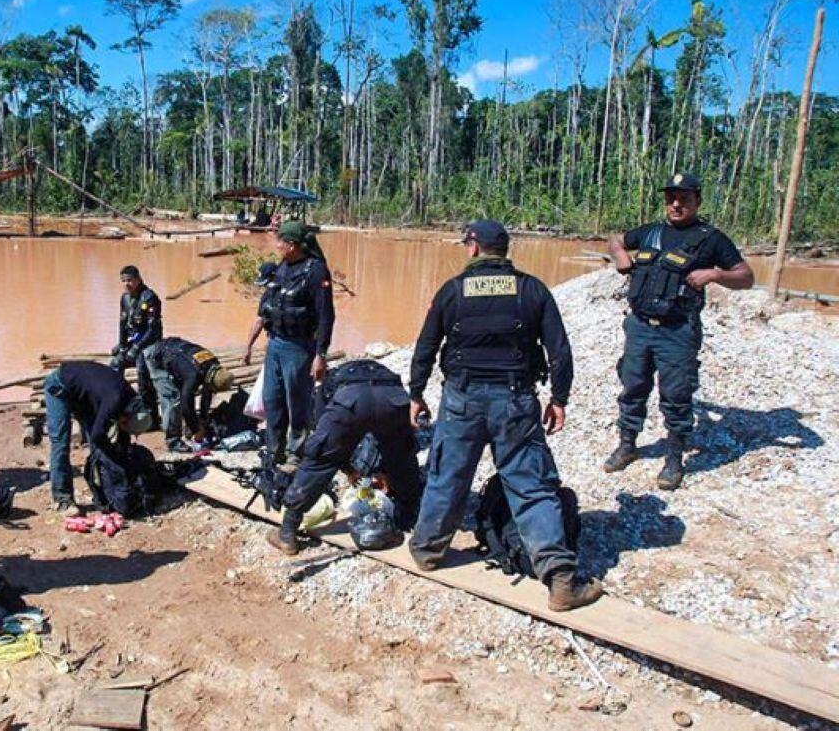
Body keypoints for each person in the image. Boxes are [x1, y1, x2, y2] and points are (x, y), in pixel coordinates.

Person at [407, 221, 602, 611]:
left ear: (475, 248)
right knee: (529, 485)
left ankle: (428, 551)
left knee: (448, 475)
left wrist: (416, 393)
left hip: (461, 399)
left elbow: (426, 346)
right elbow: (559, 352)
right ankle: (561, 581)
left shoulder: (452, 291)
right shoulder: (532, 290)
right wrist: (559, 398)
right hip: (515, 402)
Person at [604, 173, 754, 490]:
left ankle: (674, 459)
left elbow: (746, 277)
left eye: (683, 198)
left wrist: (714, 273)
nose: (675, 204)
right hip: (640, 327)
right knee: (632, 386)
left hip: (677, 331)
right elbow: (616, 239)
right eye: (671, 198)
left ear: (697, 201)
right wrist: (620, 255)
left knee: (676, 395)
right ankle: (627, 444)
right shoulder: (652, 232)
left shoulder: (710, 238)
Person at [267, 359, 423, 555]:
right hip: (392, 398)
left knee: (318, 460)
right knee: (402, 455)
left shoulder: (327, 386)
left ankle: (287, 532)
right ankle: (406, 518)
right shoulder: (384, 373)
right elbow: (386, 441)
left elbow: (327, 445)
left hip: (352, 401)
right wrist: (377, 470)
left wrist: (346, 468)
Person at [254, 220, 335, 465]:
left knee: (297, 402)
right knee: (272, 400)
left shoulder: (316, 271)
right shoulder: (283, 267)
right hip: (276, 344)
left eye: (280, 241)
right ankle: (274, 449)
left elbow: (326, 316)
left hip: (299, 348)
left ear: (292, 245)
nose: (277, 245)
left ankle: (295, 453)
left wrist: (320, 354)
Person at [43, 360, 153, 515]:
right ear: (126, 417)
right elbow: (97, 436)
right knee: (60, 443)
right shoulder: (115, 400)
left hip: (85, 394)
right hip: (59, 386)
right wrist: (114, 456)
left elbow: (120, 436)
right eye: (124, 425)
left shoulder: (131, 400)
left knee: (100, 448)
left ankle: (105, 493)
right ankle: (63, 500)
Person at [142, 337, 235, 453]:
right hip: (156, 357)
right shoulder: (194, 375)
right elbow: (186, 405)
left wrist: (203, 421)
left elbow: (207, 394)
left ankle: (188, 429)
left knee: (185, 393)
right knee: (174, 398)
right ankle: (173, 440)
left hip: (174, 355)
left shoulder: (214, 365)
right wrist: (197, 430)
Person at [111, 265, 162, 414]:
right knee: (114, 364)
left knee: (142, 371)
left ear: (138, 279)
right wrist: (121, 346)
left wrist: (136, 348)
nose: (126, 284)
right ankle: (119, 401)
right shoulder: (124, 298)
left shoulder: (150, 298)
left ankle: (151, 414)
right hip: (132, 341)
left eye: (130, 280)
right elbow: (122, 324)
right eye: (123, 281)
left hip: (149, 343)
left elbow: (153, 330)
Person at [241, 262, 279, 366]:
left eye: (267, 282)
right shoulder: (268, 295)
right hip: (274, 340)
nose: (267, 286)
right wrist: (248, 347)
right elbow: (259, 321)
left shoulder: (295, 294)